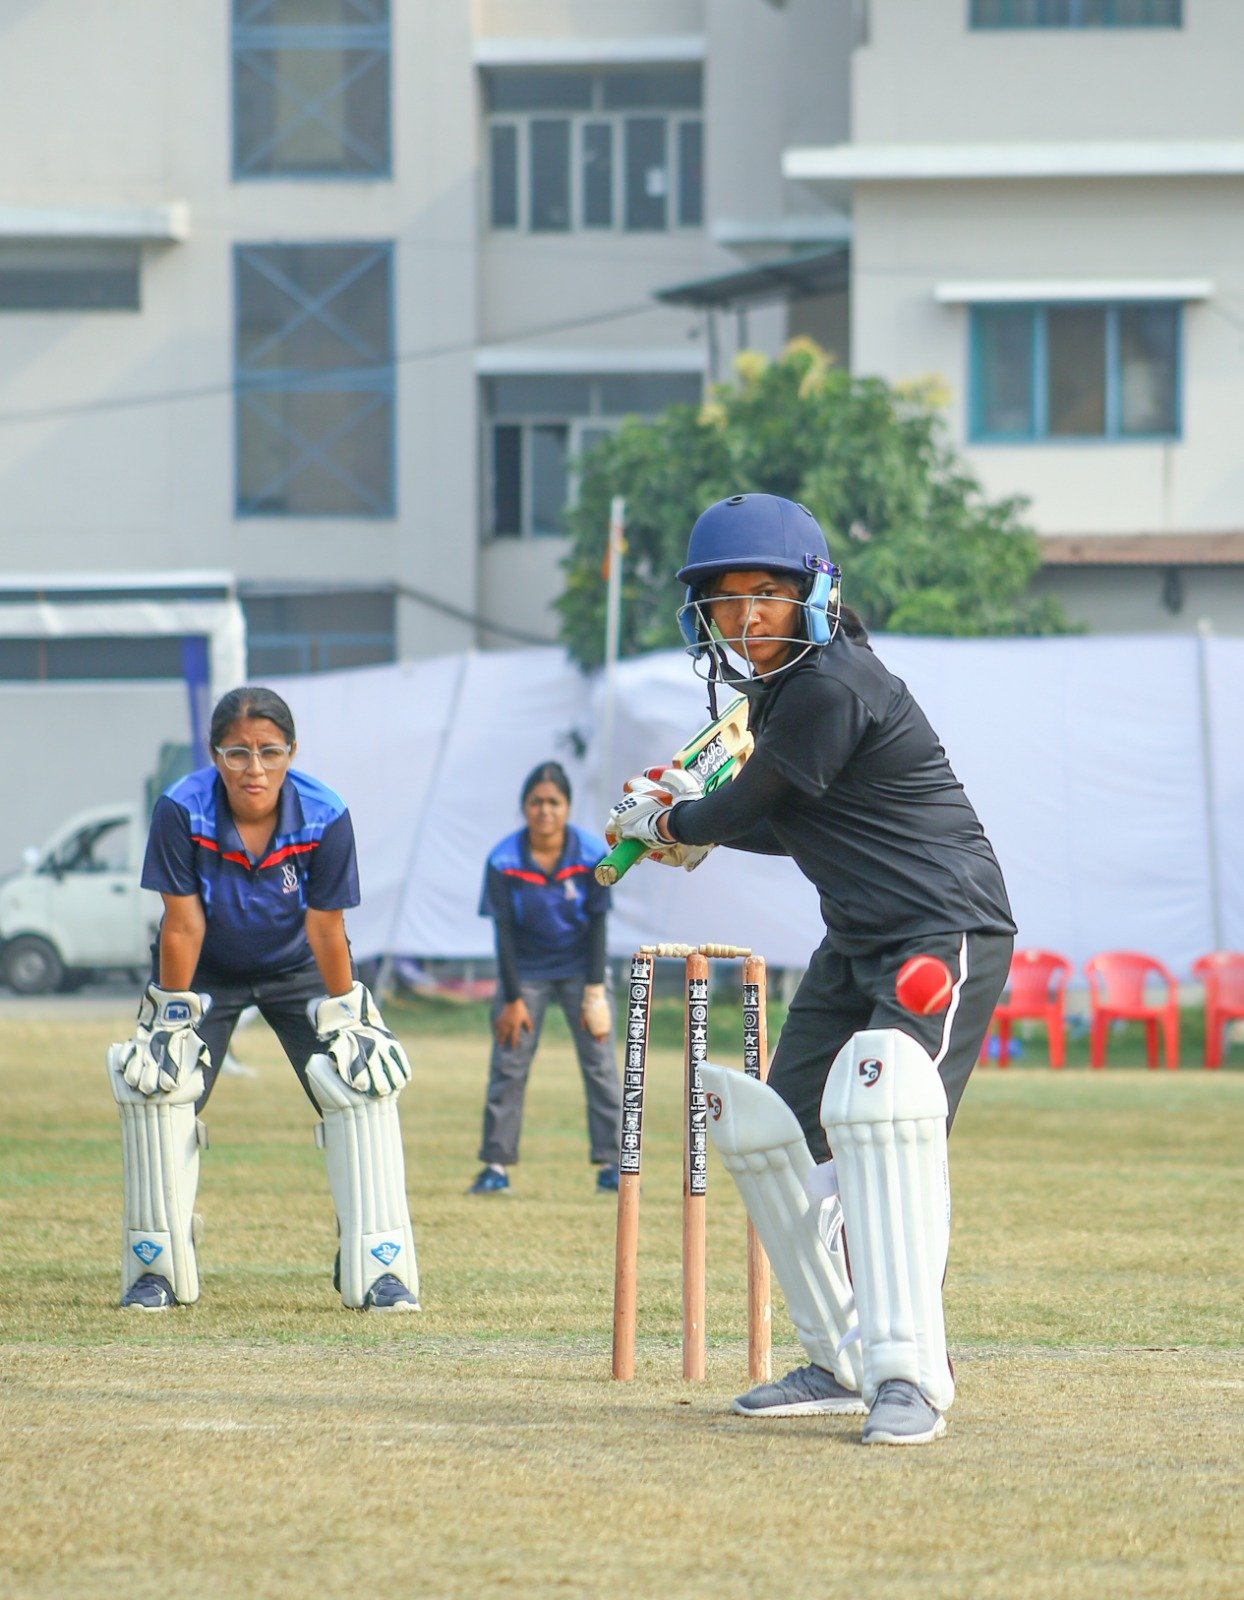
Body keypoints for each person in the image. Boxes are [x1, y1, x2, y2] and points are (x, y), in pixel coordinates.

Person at [605, 493, 1015, 1446]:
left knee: (885, 1131)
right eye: (726, 598)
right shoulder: (778, 698)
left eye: (767, 592)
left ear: (813, 594)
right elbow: (788, 822)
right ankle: (839, 1357)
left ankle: (911, 1374)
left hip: (941, 931)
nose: (746, 616)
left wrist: (675, 821)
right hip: (858, 938)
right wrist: (687, 828)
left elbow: (748, 804)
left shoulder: (833, 682)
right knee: (782, 1136)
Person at [107, 686, 419, 1314]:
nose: (255, 768)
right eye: (238, 753)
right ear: (215, 755)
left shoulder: (325, 813)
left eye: (269, 752)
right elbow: (182, 923)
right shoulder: (181, 808)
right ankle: (157, 1267)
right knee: (158, 1093)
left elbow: (326, 927)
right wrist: (171, 1018)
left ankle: (377, 1265)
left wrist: (348, 1014)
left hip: (297, 965)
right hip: (204, 966)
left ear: (291, 753)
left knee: (360, 1086)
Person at [470, 761, 622, 1196]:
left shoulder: (592, 854)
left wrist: (595, 992)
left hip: (581, 969)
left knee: (600, 1065)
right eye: (536, 802)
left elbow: (598, 923)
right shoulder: (503, 859)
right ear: (524, 807)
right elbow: (503, 933)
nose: (545, 811)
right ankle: (495, 1167)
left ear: (567, 807)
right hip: (525, 972)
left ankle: (613, 1165)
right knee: (508, 1064)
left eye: (554, 802)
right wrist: (511, 998)